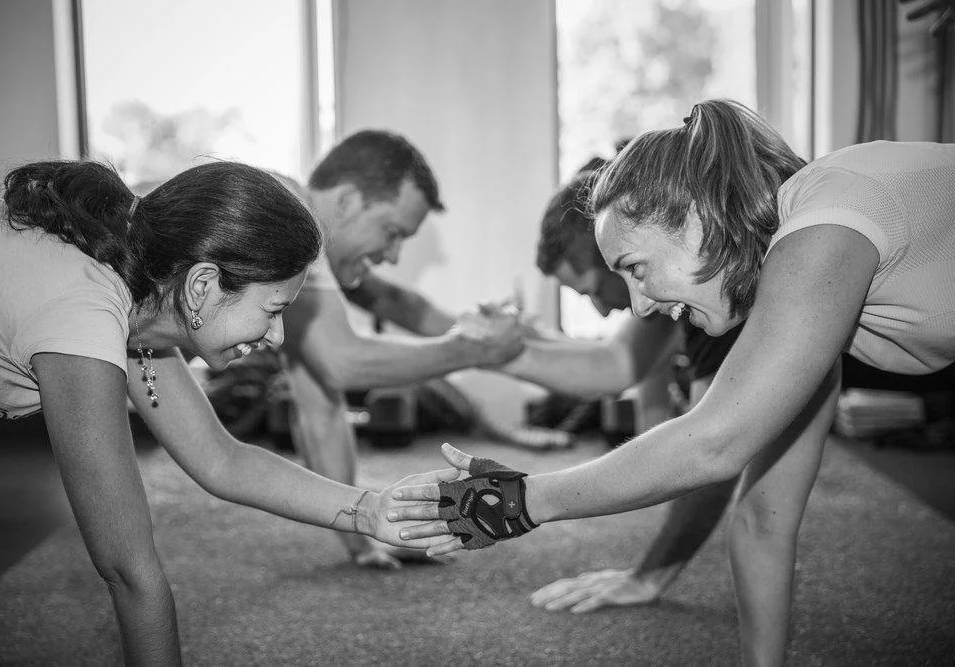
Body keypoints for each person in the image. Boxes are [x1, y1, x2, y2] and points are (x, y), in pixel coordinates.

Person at [390, 100, 955, 664]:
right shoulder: (797, 290)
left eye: (635, 268)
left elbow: (713, 443)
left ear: (696, 216)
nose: (637, 306)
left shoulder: (827, 226)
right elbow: (763, 519)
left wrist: (523, 501)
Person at [0, 160, 453, 664]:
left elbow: (220, 460)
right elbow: (129, 571)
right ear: (202, 286)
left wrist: (369, 510)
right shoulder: (83, 317)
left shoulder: (142, 293)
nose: (277, 337)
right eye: (274, 310)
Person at [268, 130, 564, 569]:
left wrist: (363, 541)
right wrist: (473, 350)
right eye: (391, 233)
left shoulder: (289, 251)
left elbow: (321, 408)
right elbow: (342, 363)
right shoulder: (286, 210)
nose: (392, 255)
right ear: (347, 200)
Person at [507, 158, 741, 612]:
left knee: (761, 508)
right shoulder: (668, 270)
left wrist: (648, 577)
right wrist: (496, 353)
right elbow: (616, 367)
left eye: (593, 289)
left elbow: (710, 452)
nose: (600, 311)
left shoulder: (712, 283)